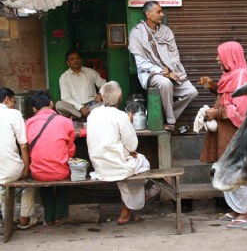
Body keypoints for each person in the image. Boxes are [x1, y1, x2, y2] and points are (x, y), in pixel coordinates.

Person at [198, 41, 247, 228]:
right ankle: (235, 209)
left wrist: (217, 113)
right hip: (225, 133)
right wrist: (212, 86)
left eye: (220, 55)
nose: (217, 59)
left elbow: (241, 109)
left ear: (230, 56)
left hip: (236, 132)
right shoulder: (230, 75)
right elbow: (226, 95)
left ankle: (245, 213)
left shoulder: (243, 77)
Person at [86, 81, 159, 225]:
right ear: (120, 98)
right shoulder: (121, 116)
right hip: (116, 166)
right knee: (142, 162)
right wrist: (129, 123)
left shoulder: (93, 114)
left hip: (99, 167)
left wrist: (126, 152)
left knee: (127, 169)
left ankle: (129, 210)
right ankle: (135, 204)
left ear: (101, 97)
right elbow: (133, 146)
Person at [128, 0, 198, 128]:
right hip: (151, 74)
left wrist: (173, 71)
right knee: (164, 82)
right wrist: (162, 71)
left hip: (172, 72)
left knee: (192, 92)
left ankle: (164, 115)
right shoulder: (137, 34)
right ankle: (170, 122)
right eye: (158, 12)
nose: (162, 15)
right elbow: (142, 63)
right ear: (148, 14)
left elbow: (174, 55)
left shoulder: (166, 31)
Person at [26, 91, 76, 227]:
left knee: (43, 179)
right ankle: (59, 216)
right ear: (51, 103)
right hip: (61, 171)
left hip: (38, 172)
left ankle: (48, 217)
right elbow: (71, 150)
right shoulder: (66, 122)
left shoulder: (28, 123)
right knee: (65, 175)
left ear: (34, 109)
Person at [0, 87, 37, 230]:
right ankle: (24, 218)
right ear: (7, 99)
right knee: (30, 181)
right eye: (13, 102)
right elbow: (23, 145)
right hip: (11, 170)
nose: (14, 105)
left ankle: (8, 217)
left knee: (3, 185)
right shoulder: (13, 114)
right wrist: (26, 169)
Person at [56, 49, 106, 120]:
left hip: (91, 105)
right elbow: (65, 97)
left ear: (81, 60)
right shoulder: (64, 77)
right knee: (59, 105)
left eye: (77, 58)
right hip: (74, 108)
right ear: (68, 63)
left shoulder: (90, 72)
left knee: (103, 106)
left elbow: (104, 84)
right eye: (72, 59)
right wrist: (80, 107)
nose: (76, 60)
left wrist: (100, 94)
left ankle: (77, 116)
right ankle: (82, 115)